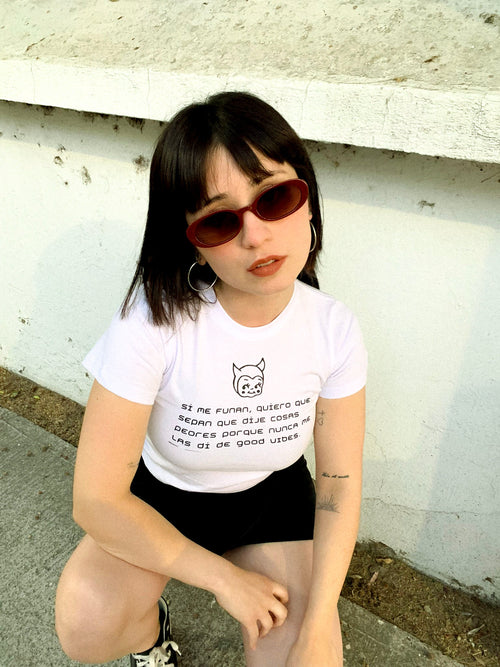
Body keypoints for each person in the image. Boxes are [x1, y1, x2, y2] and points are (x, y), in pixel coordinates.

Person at [55, 91, 367, 667]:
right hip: (168, 493)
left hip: (271, 497)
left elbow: (338, 484)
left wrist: (319, 622)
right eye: (220, 220)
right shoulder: (153, 325)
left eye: (275, 198)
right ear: (191, 241)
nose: (255, 236)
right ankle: (150, 637)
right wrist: (223, 579)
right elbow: (95, 499)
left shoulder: (334, 329)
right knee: (88, 626)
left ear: (308, 199)